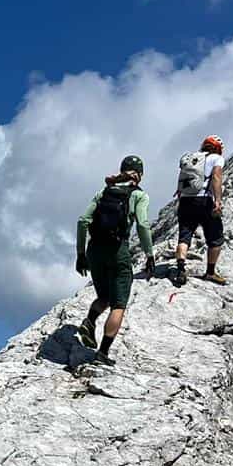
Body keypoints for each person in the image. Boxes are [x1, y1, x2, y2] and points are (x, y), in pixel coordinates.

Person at [76, 155, 153, 365]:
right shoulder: (139, 195)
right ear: (140, 175)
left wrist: (81, 254)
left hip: (94, 251)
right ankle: (102, 353)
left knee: (104, 296)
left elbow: (83, 221)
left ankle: (90, 321)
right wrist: (149, 254)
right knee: (118, 304)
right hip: (118, 251)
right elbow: (143, 225)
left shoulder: (104, 192)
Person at [174, 135, 226, 285]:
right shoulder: (216, 158)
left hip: (185, 201)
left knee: (184, 236)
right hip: (204, 200)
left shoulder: (191, 158)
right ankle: (210, 272)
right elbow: (216, 177)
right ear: (218, 148)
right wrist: (217, 200)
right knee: (215, 237)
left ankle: (180, 269)